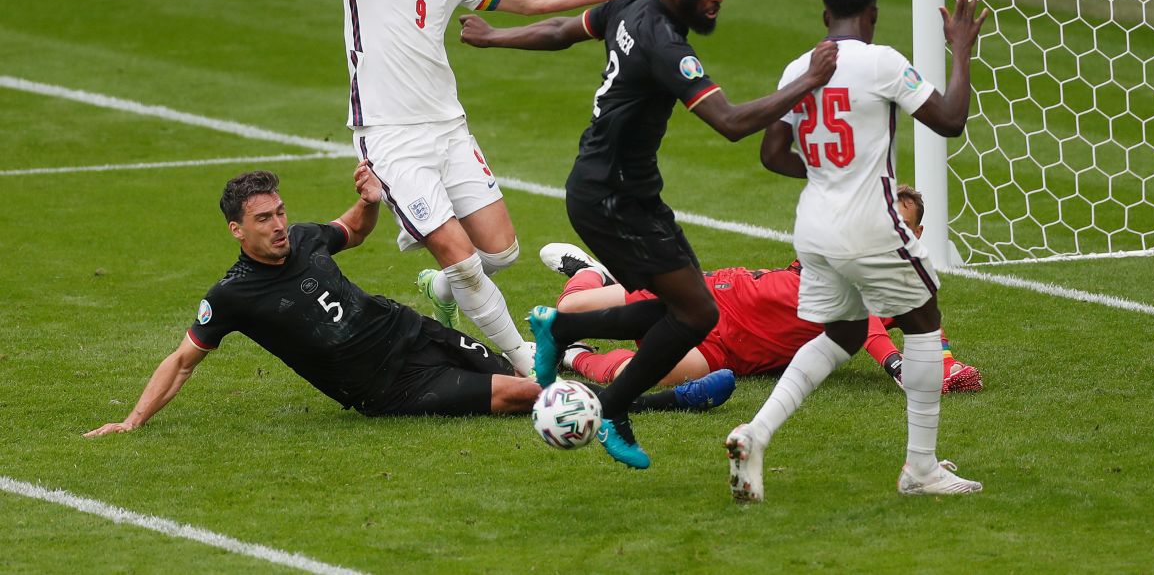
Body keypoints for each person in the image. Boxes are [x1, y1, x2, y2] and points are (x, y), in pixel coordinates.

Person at [276, 0, 662, 378]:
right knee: (462, 257)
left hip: (449, 129)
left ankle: (440, 287)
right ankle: (532, 366)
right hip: (390, 136)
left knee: (500, 253)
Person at [458, 0, 838, 468]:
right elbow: (728, 123)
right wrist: (809, 81)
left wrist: (495, 38)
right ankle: (613, 406)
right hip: (611, 198)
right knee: (698, 311)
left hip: (628, 193)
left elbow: (561, 31)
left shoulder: (628, 8)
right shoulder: (666, 46)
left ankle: (564, 329)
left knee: (682, 311)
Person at [85, 166, 730, 439]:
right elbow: (182, 361)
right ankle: (665, 399)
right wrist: (134, 419)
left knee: (531, 373)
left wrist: (367, 198)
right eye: (263, 218)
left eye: (279, 211)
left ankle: (597, 378)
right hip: (386, 388)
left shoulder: (307, 239)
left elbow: (352, 231)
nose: (279, 225)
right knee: (520, 395)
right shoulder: (232, 296)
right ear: (237, 229)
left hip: (412, 334)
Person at [725, 0, 990, 501]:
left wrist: (829, 174)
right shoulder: (882, 62)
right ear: (872, 13)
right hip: (871, 223)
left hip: (815, 229)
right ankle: (921, 469)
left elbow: (773, 154)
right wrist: (960, 49)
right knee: (923, 320)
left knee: (843, 334)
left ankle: (756, 432)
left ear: (826, 15)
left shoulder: (799, 66)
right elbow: (951, 120)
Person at [541, 185, 981, 394]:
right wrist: (896, 367)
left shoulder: (910, 288)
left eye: (902, 225)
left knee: (637, 377)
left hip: (734, 354)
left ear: (918, 231)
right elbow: (863, 323)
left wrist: (948, 367)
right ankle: (592, 272)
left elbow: (932, 338)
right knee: (571, 306)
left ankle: (573, 354)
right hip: (715, 301)